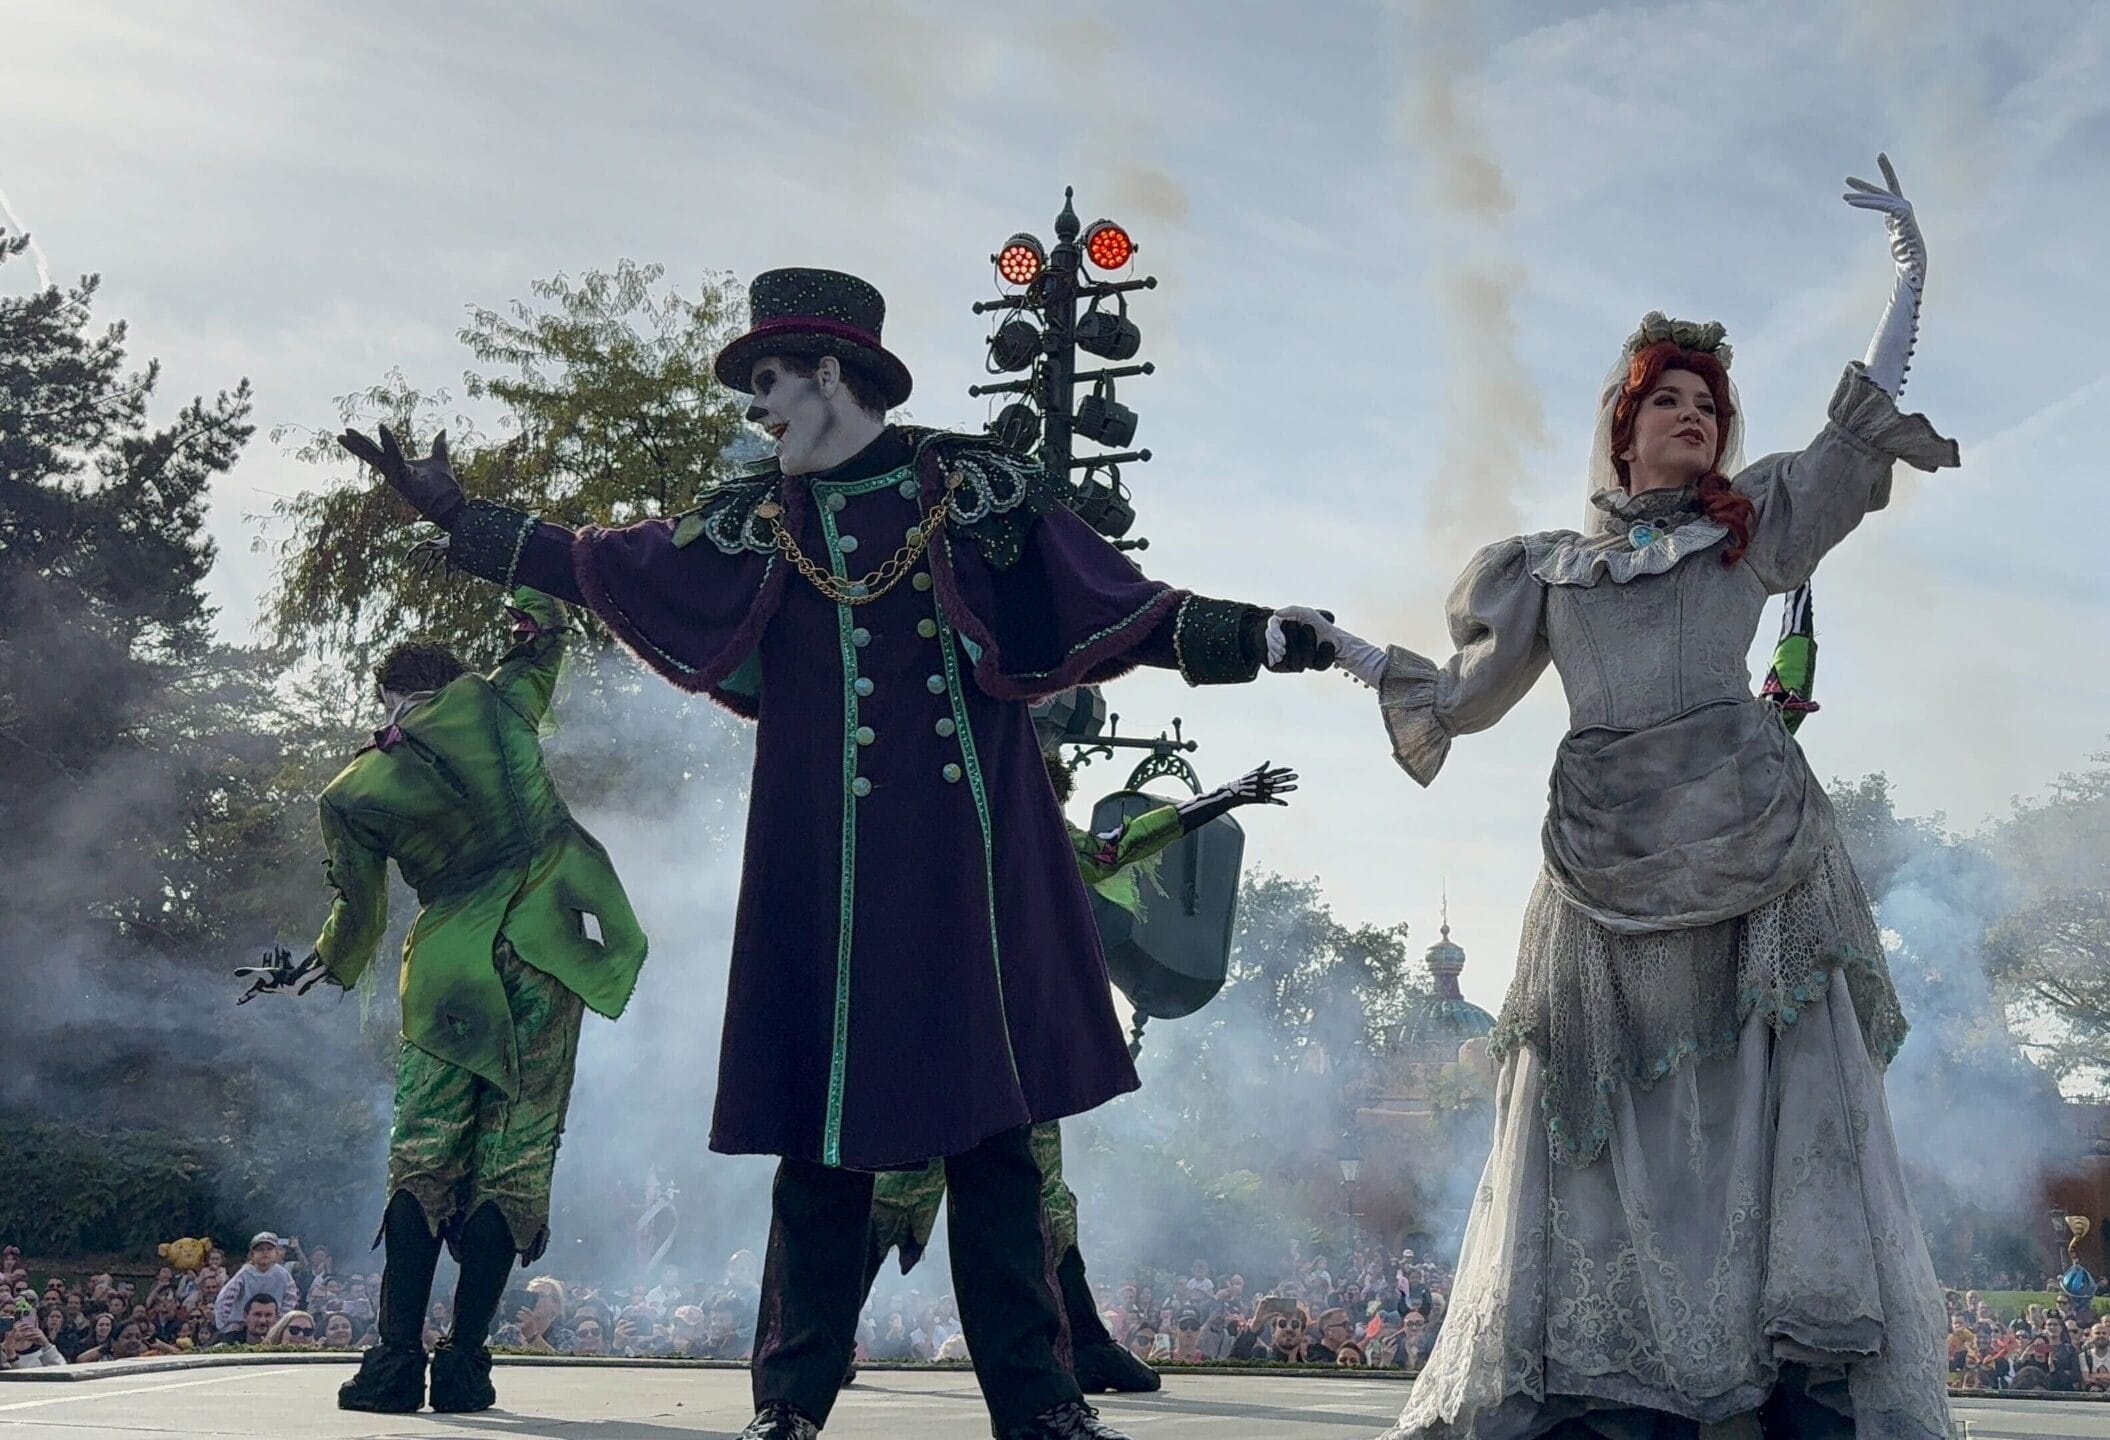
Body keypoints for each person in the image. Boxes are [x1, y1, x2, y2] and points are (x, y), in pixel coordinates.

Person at [339, 266, 1336, 1440]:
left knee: (997, 1147)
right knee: (823, 1149)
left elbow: (1116, 603)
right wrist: (466, 521)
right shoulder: (758, 519)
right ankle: (792, 1402)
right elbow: (608, 562)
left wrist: (1260, 635)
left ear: (831, 373)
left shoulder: (975, 490)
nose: (757, 409)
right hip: (830, 878)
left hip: (969, 873)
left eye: (769, 380)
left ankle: (1041, 1404)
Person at [1307, 156, 1957, 1440]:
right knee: (1606, 1128)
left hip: (1753, 848)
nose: (1695, 417)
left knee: (1766, 1114)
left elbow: (1851, 427)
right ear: (1620, 423)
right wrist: (1342, 649)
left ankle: (1785, 1377)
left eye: (1709, 403)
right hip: (1601, 869)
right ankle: (1620, 1381)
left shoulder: (1751, 529)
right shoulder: (1544, 570)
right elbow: (1464, 698)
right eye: (1669, 400)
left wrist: (1910, 280)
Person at [249, 586, 648, 1418]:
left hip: (450, 971)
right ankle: (466, 1364)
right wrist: (505, 564)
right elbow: (546, 631)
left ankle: (394, 1364)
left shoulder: (351, 791)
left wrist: (321, 963)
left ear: (389, 696)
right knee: (516, 1160)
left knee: (424, 1157)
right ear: (452, 677)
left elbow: (358, 914)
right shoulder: (499, 702)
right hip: (551, 952)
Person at [855, 749, 1300, 1395]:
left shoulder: (1030, 835)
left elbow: (1115, 848)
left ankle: (1085, 1345)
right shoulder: (938, 834)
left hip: (1008, 1055)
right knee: (908, 1191)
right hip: (946, 1051)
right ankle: (835, 1340)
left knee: (1037, 1202)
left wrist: (1223, 797)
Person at [212, 1233, 301, 1333]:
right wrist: (225, 1325)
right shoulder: (245, 1273)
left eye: (269, 1249)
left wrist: (280, 1321)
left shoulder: (283, 1274)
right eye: (260, 1249)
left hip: (272, 1327)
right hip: (243, 1327)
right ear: (252, 1254)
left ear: (276, 1253)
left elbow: (291, 1299)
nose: (265, 1252)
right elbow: (225, 1298)